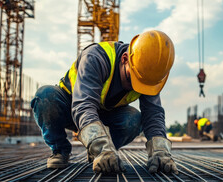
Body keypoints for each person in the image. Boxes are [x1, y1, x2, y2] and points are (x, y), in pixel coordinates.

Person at [31, 30, 178, 174]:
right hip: (70, 106)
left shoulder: (149, 75)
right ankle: (60, 150)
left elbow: (153, 114)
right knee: (45, 96)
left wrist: (161, 152)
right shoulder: (95, 57)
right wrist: (101, 146)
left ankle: (106, 154)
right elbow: (84, 105)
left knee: (133, 119)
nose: (135, 86)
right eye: (131, 79)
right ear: (125, 59)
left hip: (105, 115)